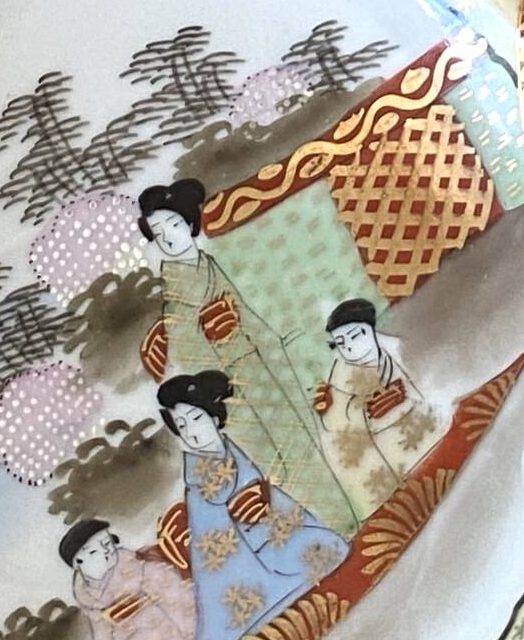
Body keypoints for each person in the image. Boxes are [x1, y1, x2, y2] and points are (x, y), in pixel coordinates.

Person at [135, 177, 358, 537]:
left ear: (190, 224)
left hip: (261, 368)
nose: (170, 237)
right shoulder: (176, 294)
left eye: (175, 225)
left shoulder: (208, 266)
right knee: (276, 467)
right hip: (228, 392)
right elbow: (189, 351)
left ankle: (345, 524)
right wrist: (217, 359)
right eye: (160, 233)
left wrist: (283, 363)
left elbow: (251, 322)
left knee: (304, 446)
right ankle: (321, 540)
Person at [154, 370, 349, 640]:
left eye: (196, 419)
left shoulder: (231, 448)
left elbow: (263, 492)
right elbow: (215, 527)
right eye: (182, 426)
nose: (191, 432)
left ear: (214, 417)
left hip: (270, 532)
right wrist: (245, 509)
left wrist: (264, 499)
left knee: (327, 547)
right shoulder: (197, 477)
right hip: (237, 563)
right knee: (252, 602)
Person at [313, 297, 442, 511]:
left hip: (417, 428)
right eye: (342, 343)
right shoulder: (340, 377)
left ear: (369, 331)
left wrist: (399, 397)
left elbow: (419, 384)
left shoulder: (394, 350)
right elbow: (340, 426)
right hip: (379, 448)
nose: (351, 349)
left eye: (355, 337)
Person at [59, 517, 201, 640]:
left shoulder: (141, 569)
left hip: (165, 637)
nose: (106, 553)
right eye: (95, 551)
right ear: (78, 563)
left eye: (107, 544)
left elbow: (178, 599)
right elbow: (103, 638)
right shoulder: (91, 600)